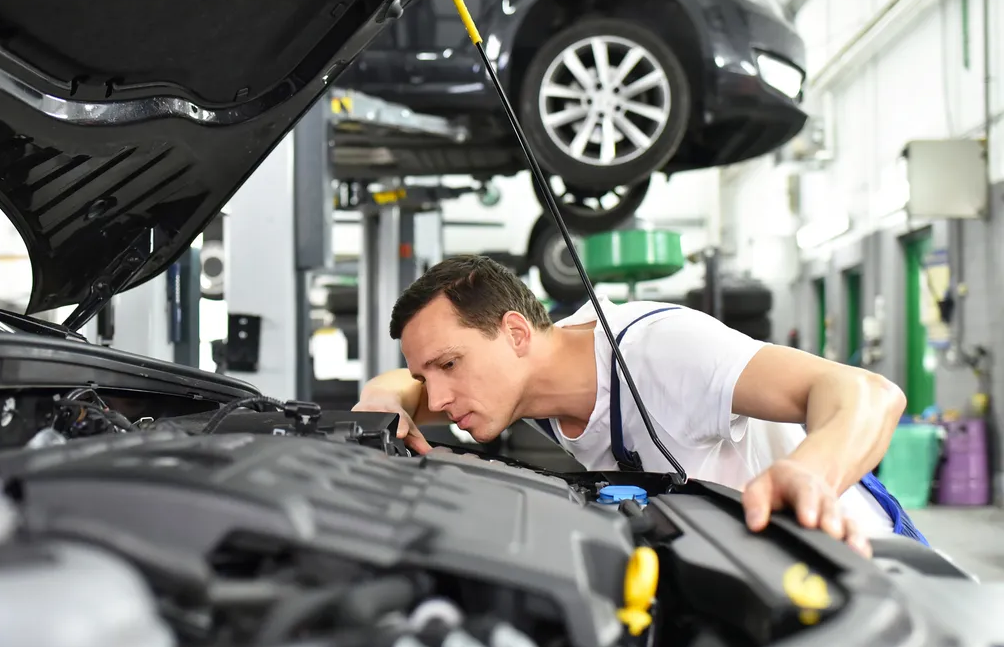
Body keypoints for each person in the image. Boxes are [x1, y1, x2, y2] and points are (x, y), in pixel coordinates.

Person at [354, 256, 925, 556]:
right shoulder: (518, 384)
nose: (439, 396)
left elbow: (870, 392)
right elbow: (413, 390)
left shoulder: (661, 351)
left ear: (516, 332)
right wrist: (384, 395)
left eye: (449, 365)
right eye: (425, 375)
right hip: (749, 567)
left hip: (867, 570)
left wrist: (809, 473)